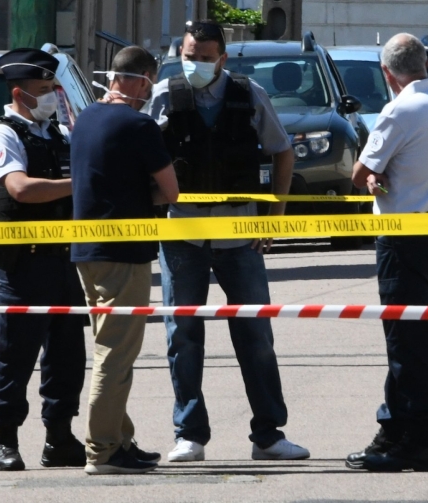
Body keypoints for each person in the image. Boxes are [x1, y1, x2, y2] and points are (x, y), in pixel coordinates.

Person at [148, 20, 309, 462]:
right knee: (182, 335)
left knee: (256, 334)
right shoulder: (166, 95)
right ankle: (189, 434)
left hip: (240, 235)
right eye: (188, 55)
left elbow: (283, 151)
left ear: (222, 57)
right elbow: (144, 155)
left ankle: (269, 435)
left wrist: (272, 219)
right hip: (182, 233)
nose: (195, 63)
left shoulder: (249, 94)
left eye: (204, 57)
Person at [346, 33, 428, 472]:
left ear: (386, 72)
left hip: (406, 236)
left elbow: (361, 174)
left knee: (406, 341)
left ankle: (414, 439)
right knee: (416, 339)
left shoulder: (400, 109)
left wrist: (377, 176)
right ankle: (395, 428)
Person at [70, 46, 179, 475]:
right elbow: (170, 192)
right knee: (115, 355)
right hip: (124, 252)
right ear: (138, 80)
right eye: (149, 82)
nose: (148, 92)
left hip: (86, 251)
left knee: (109, 348)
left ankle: (120, 439)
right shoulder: (140, 124)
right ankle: (102, 450)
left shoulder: (85, 118)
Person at [0, 48, 86, 471]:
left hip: (63, 261)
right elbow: (21, 189)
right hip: (23, 265)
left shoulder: (56, 133)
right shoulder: (2, 134)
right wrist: (78, 183)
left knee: (67, 356)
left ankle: (59, 438)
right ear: (20, 93)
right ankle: (5, 439)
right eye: (45, 91)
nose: (51, 97)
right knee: (16, 356)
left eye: (54, 89)